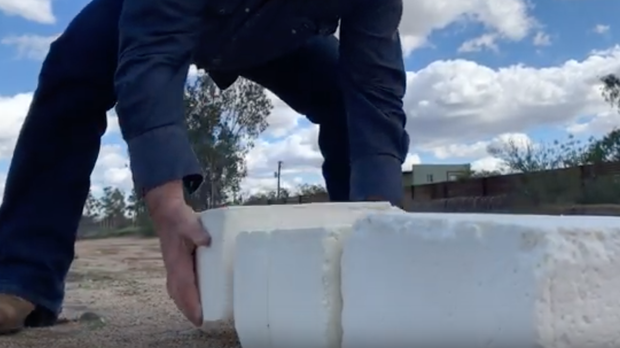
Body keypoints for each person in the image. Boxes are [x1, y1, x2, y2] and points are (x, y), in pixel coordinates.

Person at [0, 0, 410, 334]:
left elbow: (375, 88)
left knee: (346, 96)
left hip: (276, 32)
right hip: (150, 13)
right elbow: (154, 51)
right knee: (72, 68)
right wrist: (165, 201)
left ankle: (356, 260)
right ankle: (22, 278)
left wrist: (379, 220)